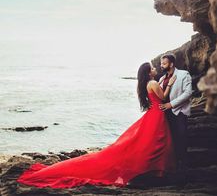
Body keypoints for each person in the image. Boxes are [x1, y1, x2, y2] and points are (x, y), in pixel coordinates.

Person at [17, 62, 176, 189]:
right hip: (157, 114)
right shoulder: (154, 82)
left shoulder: (148, 83)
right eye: (153, 67)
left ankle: (155, 171)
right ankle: (157, 172)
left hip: (154, 113)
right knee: (156, 142)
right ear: (149, 72)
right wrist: (170, 83)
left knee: (151, 143)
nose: (155, 68)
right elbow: (163, 97)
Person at [158, 54, 192, 175]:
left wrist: (171, 104)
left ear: (171, 64)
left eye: (164, 63)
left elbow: (188, 93)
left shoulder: (183, 74)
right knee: (169, 140)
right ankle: (172, 165)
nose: (161, 66)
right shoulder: (161, 79)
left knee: (181, 138)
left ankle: (183, 167)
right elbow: (160, 96)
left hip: (179, 113)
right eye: (161, 64)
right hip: (164, 115)